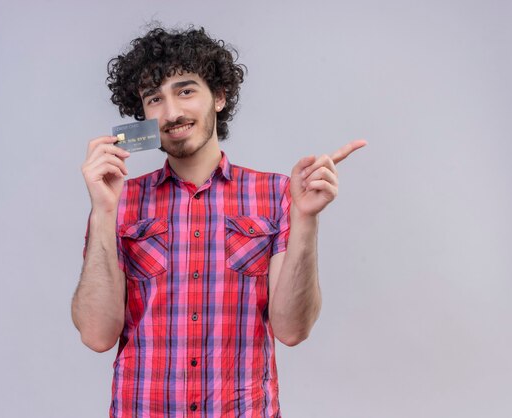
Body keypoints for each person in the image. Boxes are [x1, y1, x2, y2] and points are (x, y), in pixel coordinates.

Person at [71, 26, 366, 417]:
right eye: (154, 98)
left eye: (186, 90)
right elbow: (96, 335)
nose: (172, 112)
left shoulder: (277, 195)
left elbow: (292, 330)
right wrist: (104, 212)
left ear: (220, 97)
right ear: (141, 115)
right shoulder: (118, 201)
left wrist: (306, 219)